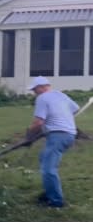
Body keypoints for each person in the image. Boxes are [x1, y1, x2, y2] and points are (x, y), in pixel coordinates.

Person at [24, 76, 79, 208]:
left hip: (58, 136)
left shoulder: (42, 98)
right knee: (44, 158)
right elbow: (75, 109)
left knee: (48, 169)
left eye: (35, 90)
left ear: (42, 87)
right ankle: (50, 192)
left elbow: (39, 122)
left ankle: (56, 202)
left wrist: (29, 134)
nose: (34, 93)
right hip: (69, 134)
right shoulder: (61, 95)